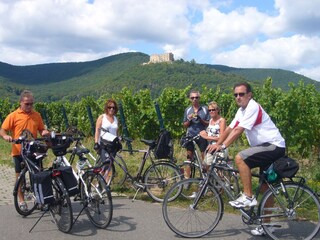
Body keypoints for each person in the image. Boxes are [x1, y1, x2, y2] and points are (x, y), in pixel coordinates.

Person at [207, 82, 286, 236]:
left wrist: (222, 147)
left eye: (241, 94)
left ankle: (248, 197)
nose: (238, 97)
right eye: (235, 94)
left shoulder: (252, 107)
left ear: (249, 95)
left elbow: (238, 130)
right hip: (265, 147)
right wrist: (217, 143)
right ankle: (267, 226)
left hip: (273, 145)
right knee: (266, 188)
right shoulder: (241, 111)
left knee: (240, 158)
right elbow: (229, 128)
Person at [0, 90, 50, 211]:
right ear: (21, 102)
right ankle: (21, 201)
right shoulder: (14, 115)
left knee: (37, 176)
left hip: (33, 150)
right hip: (19, 152)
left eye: (31, 104)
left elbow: (41, 129)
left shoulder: (36, 115)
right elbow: (3, 130)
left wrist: (45, 132)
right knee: (20, 178)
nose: (30, 106)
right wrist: (6, 136)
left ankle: (39, 200)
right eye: (27, 104)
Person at [183, 90, 210, 178]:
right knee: (189, 157)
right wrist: (190, 119)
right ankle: (188, 178)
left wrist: (199, 118)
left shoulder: (205, 109)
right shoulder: (187, 110)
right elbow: (185, 125)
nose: (194, 99)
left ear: (199, 98)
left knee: (204, 157)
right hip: (190, 135)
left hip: (202, 135)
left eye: (196, 97)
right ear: (190, 99)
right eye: (192, 98)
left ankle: (206, 177)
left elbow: (208, 123)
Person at [199, 101, 226, 170]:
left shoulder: (221, 120)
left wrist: (207, 137)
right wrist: (204, 133)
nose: (211, 111)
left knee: (219, 170)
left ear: (218, 110)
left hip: (219, 147)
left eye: (213, 110)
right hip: (210, 147)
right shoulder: (211, 120)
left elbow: (222, 137)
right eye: (209, 110)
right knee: (206, 167)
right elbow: (210, 132)